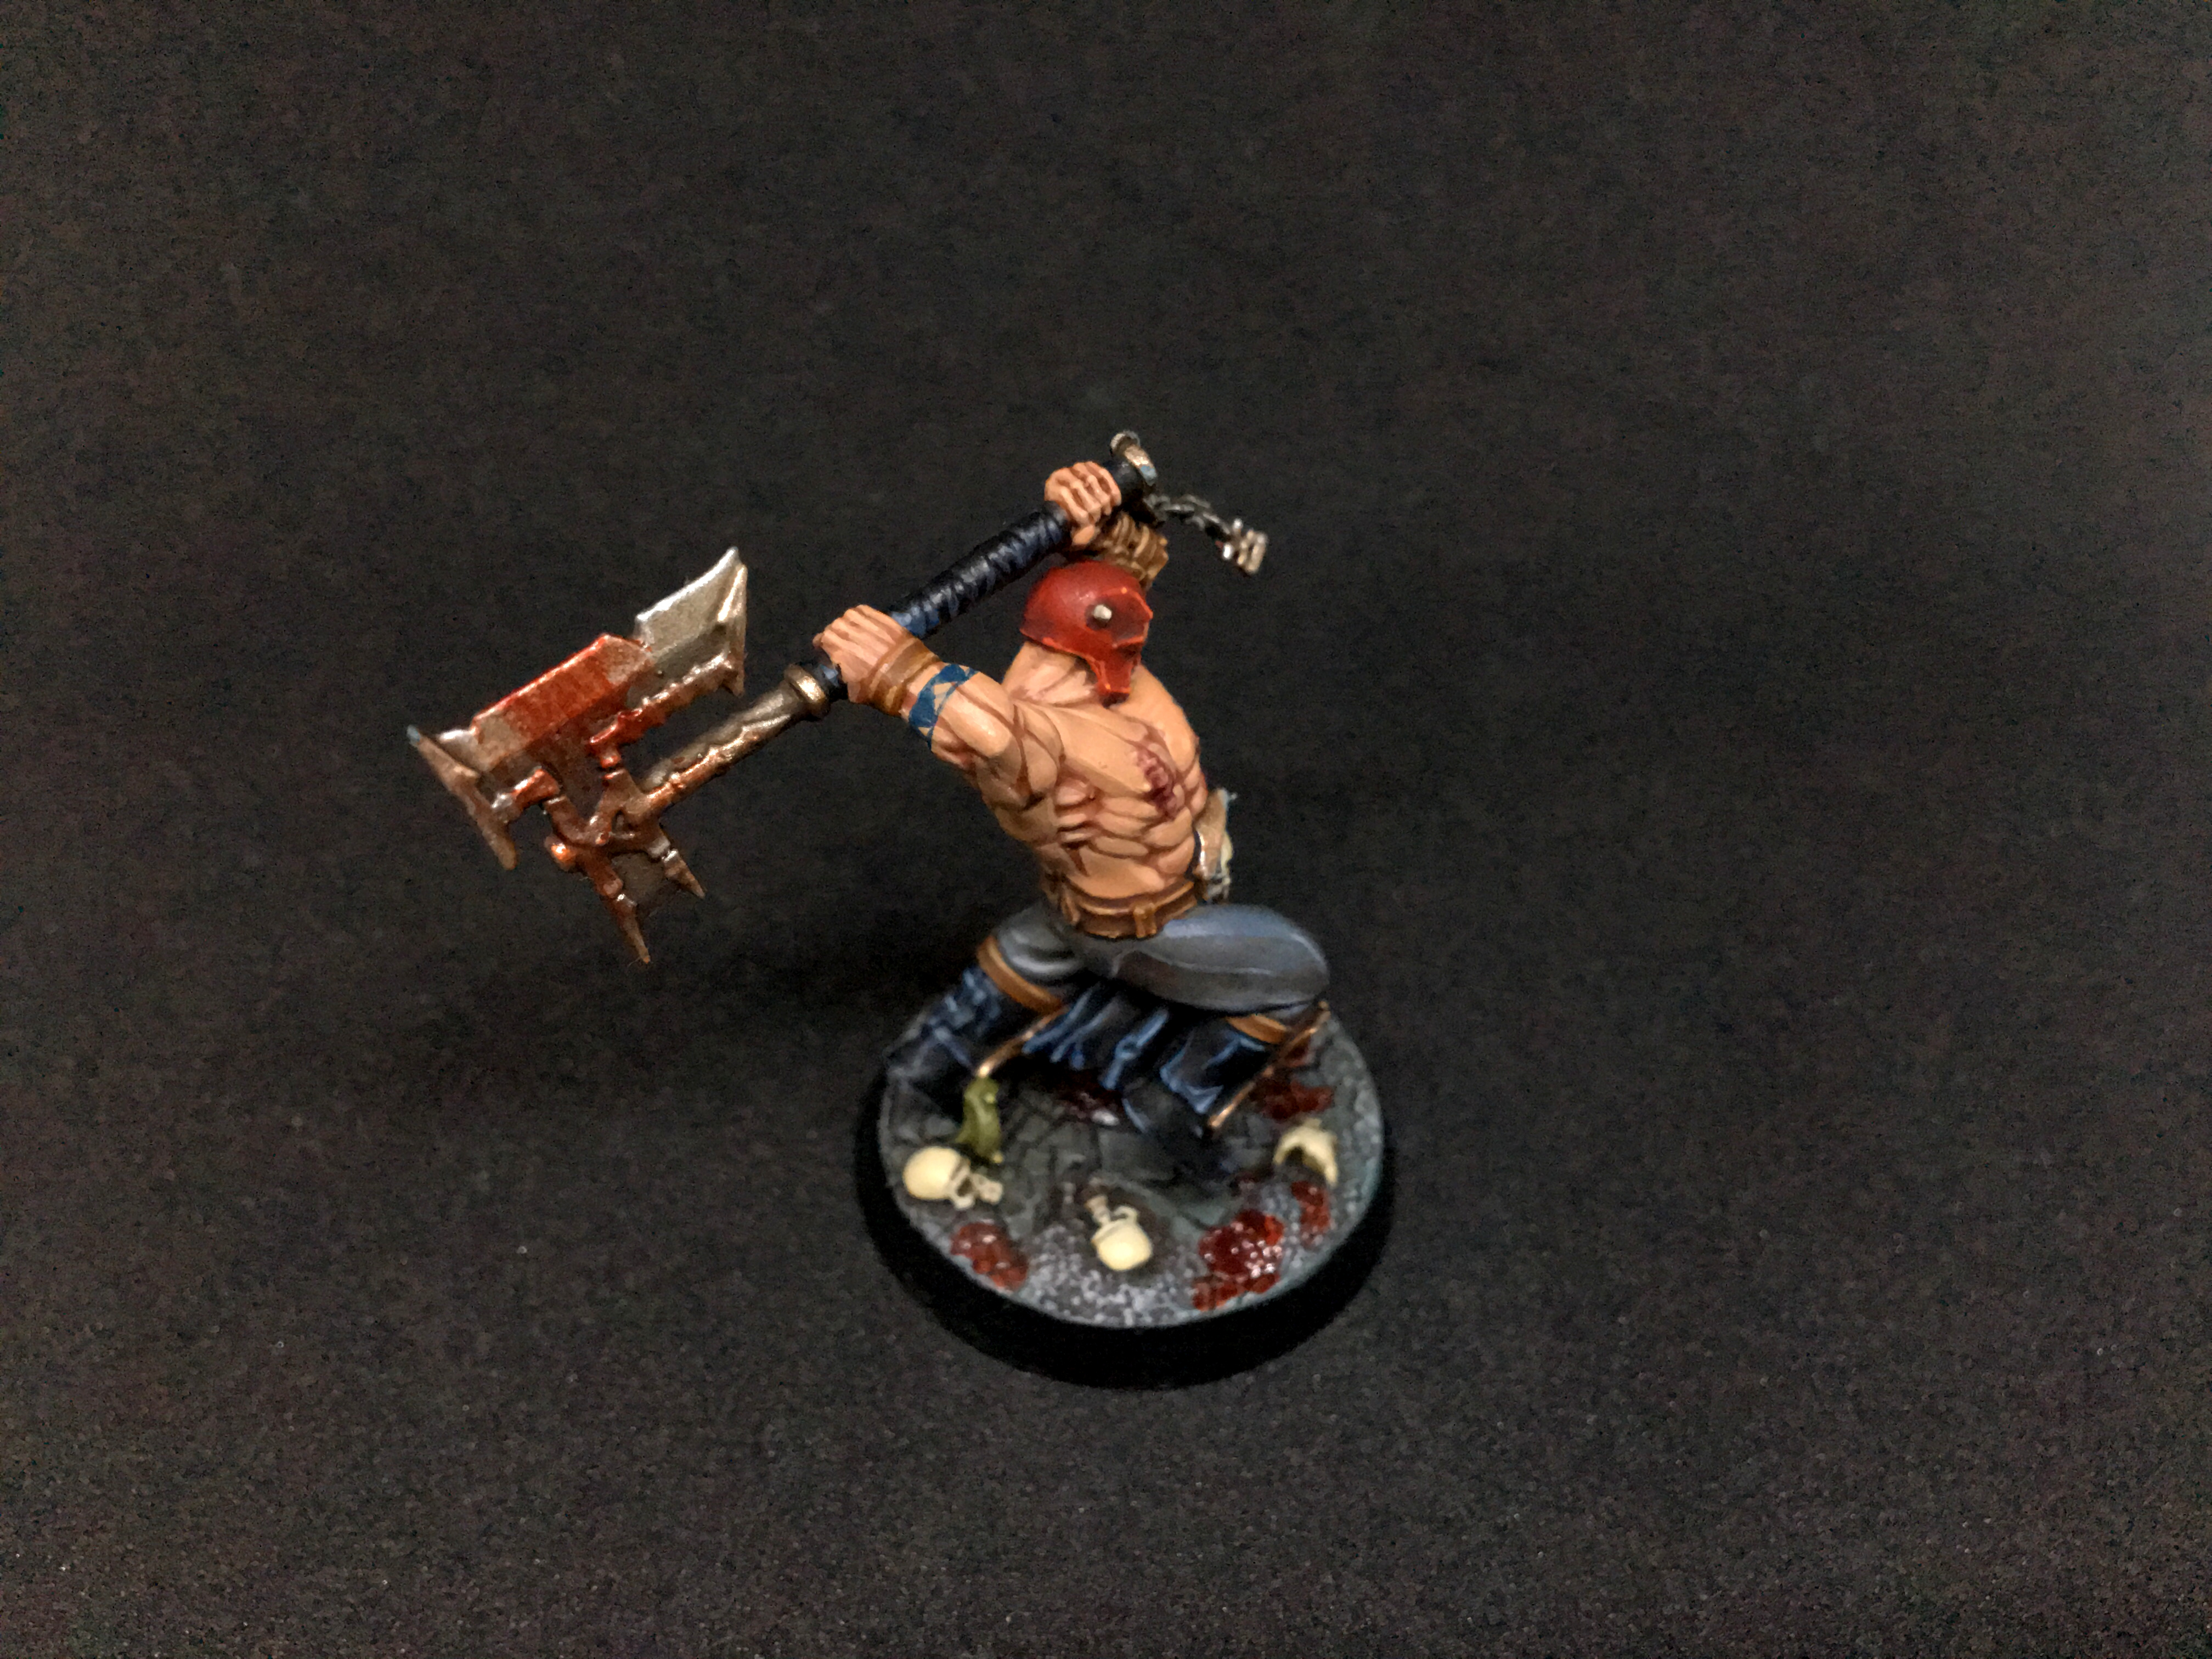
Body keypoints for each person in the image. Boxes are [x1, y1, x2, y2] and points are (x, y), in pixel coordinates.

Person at [814, 462, 1327, 1183]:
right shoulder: (1042, 725)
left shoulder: (1093, 641)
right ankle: (1176, 1097)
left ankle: (928, 1068)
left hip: (1092, 904)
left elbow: (1125, 574)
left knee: (1023, 958)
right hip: (1144, 927)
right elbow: (990, 733)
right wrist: (899, 670)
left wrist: (1093, 520)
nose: (1136, 641)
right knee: (1299, 971)